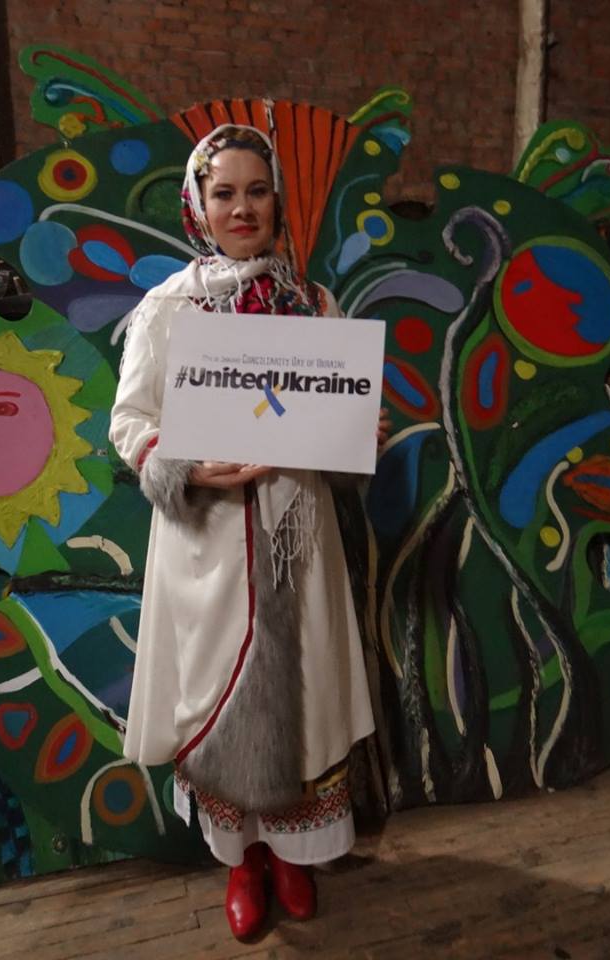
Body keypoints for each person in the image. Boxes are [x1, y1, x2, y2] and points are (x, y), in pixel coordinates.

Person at [110, 124, 391, 941]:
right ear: (197, 204)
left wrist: (357, 433)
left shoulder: (315, 305)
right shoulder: (169, 307)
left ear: (277, 201)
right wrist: (186, 465)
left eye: (257, 191)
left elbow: (335, 416)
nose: (242, 208)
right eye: (224, 192)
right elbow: (130, 421)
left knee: (305, 695)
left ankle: (294, 856)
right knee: (218, 695)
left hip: (298, 541)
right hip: (207, 547)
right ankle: (243, 859)